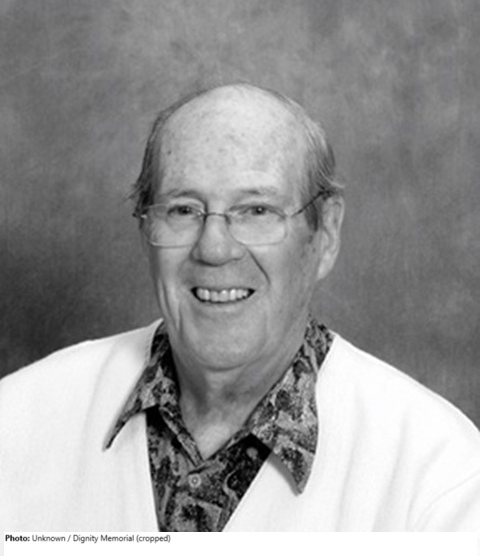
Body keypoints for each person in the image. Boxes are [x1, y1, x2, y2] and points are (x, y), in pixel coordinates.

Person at [1, 83, 479, 532]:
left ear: (326, 234)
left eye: (257, 210)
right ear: (146, 230)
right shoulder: (18, 421)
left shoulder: (438, 478)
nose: (214, 248)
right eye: (183, 209)